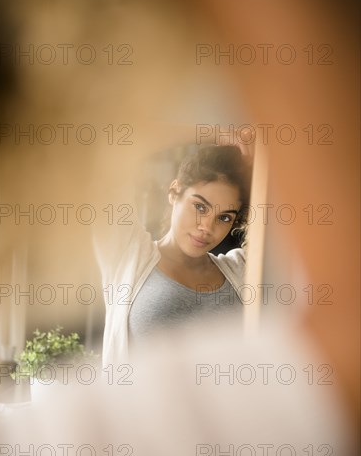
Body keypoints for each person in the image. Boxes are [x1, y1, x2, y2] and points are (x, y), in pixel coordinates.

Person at [93, 143, 252, 366]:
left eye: (224, 217)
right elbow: (107, 162)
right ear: (174, 191)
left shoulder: (241, 269)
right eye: (200, 207)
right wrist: (208, 130)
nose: (207, 226)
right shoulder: (129, 254)